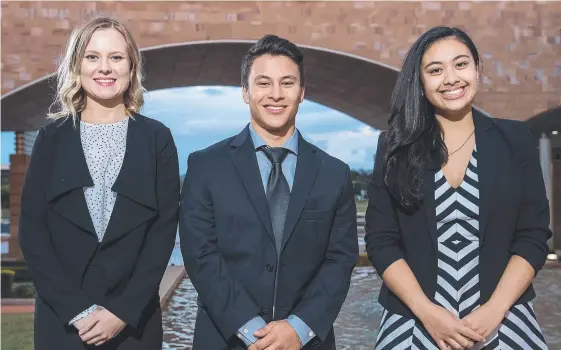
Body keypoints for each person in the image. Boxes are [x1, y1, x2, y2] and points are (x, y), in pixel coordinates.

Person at [365, 26, 551, 350]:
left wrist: (494, 310)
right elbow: (381, 241)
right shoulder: (394, 146)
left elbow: (533, 235)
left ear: (478, 69)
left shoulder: (515, 140)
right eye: (435, 70)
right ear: (421, 83)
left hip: (504, 319)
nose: (451, 78)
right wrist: (428, 313)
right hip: (413, 321)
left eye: (461, 64)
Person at [180, 34, 359, 350]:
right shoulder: (206, 166)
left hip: (307, 342)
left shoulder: (334, 173)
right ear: (246, 92)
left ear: (302, 92)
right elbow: (201, 256)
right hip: (226, 340)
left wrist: (297, 330)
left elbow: (340, 261)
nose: (276, 94)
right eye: (263, 83)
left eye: (287, 83)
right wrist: (252, 331)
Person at [18, 17, 179, 349]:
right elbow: (33, 232)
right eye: (93, 57)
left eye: (116, 58)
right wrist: (76, 311)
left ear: (132, 67)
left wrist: (122, 311)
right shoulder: (51, 139)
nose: (105, 68)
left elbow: (163, 233)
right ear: (77, 66)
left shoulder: (157, 139)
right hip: (62, 324)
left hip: (133, 326)